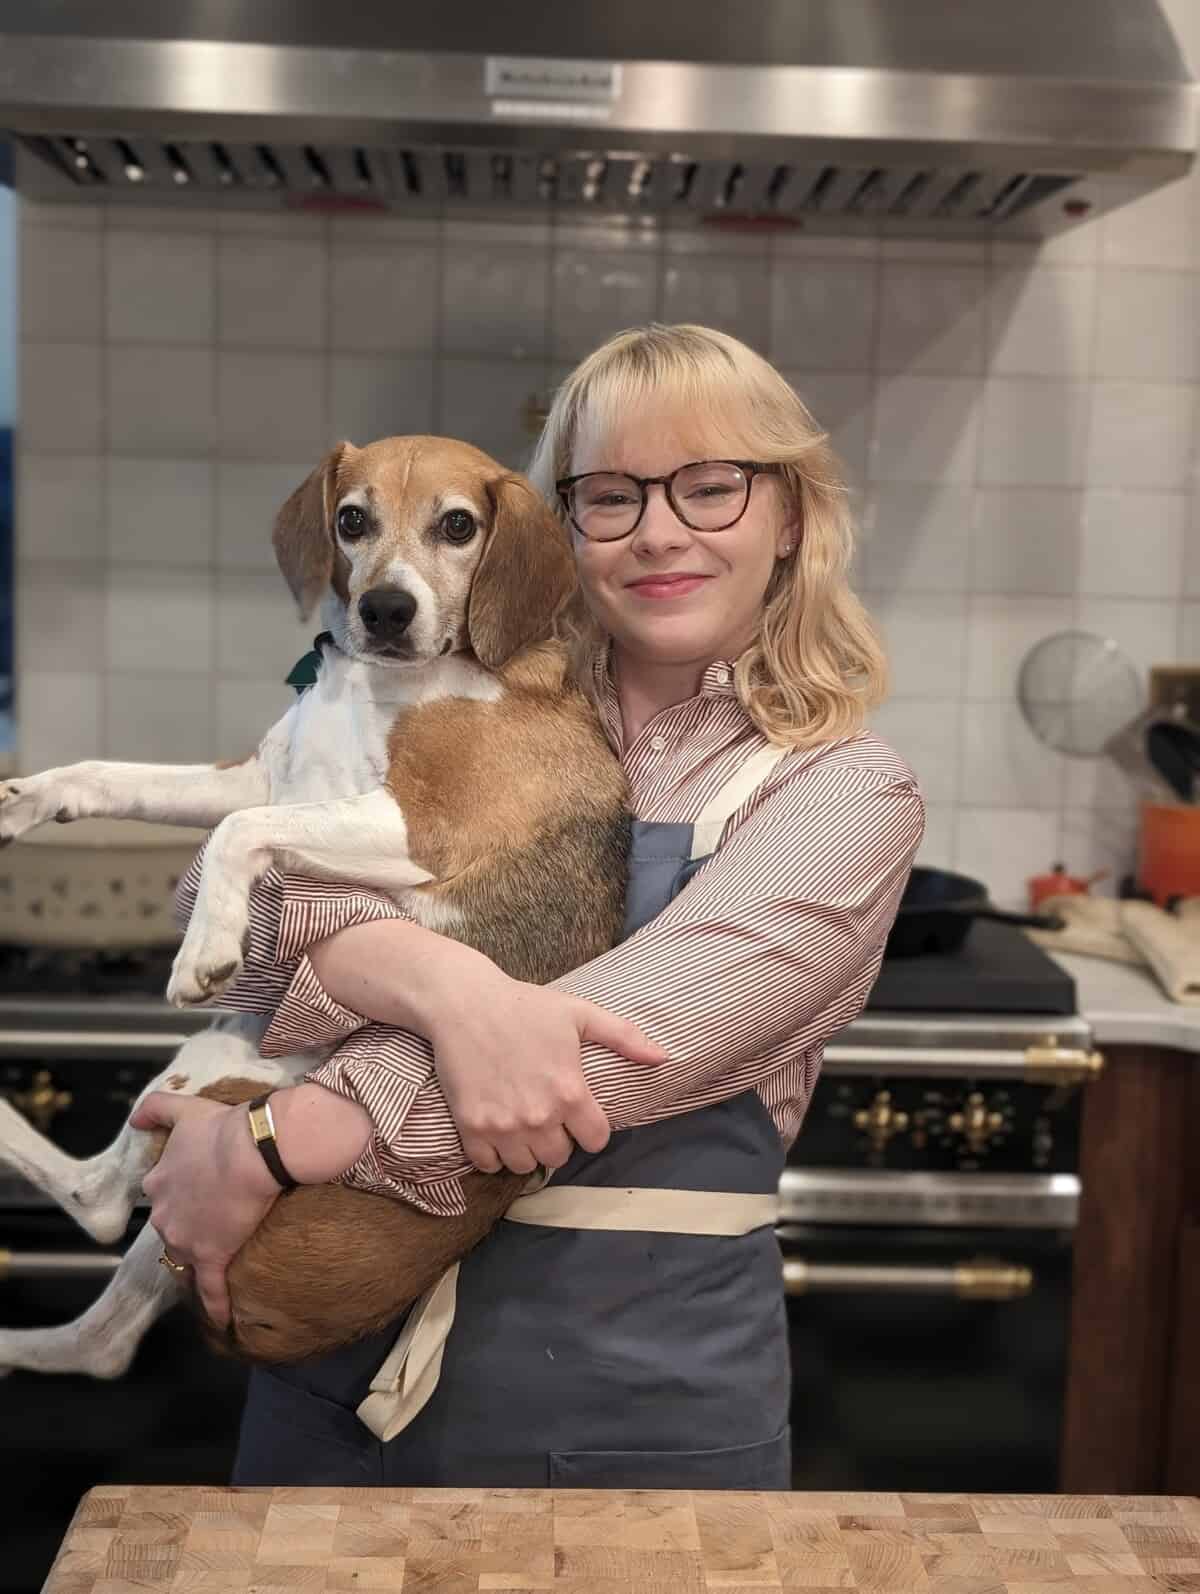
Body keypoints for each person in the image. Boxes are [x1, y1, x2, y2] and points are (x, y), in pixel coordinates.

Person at [133, 322, 925, 1490]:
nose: (659, 531)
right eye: (610, 496)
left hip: (631, 1418)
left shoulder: (844, 787)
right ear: (554, 532)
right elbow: (209, 891)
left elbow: (597, 1059)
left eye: (712, 487)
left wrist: (276, 1139)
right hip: (335, 1390)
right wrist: (438, 982)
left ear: (790, 514)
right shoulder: (447, 709)